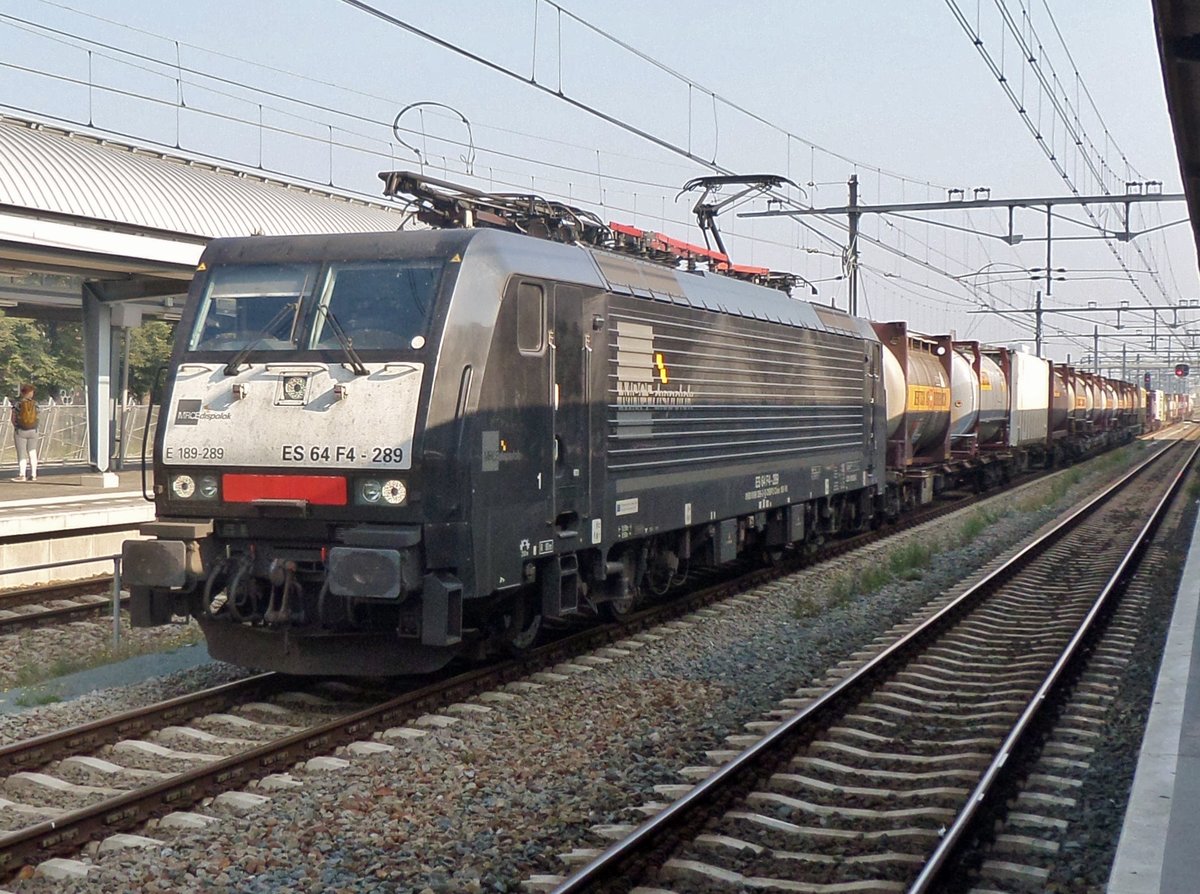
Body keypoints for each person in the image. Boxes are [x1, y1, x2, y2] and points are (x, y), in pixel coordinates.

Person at [10, 383, 38, 482]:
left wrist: (17, 427)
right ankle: (33, 474)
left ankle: (22, 475)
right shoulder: (35, 404)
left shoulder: (18, 404)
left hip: (21, 431)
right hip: (33, 431)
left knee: (21, 453)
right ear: (31, 393)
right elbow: (38, 417)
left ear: (22, 393)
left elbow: (13, 418)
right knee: (32, 452)